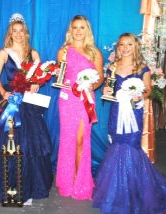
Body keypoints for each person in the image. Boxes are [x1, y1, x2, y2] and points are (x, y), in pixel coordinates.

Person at [92, 33, 166, 213]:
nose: (125, 48)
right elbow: (108, 88)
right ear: (118, 47)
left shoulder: (143, 68)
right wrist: (108, 89)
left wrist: (139, 94)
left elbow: (148, 91)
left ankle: (134, 190)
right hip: (116, 112)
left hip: (133, 112)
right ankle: (116, 190)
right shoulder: (112, 66)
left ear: (136, 47)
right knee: (116, 145)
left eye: (129, 45)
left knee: (131, 146)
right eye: (122, 45)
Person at [0, 13, 53, 205]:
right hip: (9, 102)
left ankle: (28, 188)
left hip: (28, 103)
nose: (18, 34)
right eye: (14, 31)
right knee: (8, 142)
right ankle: (6, 187)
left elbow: (38, 78)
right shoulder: (3, 53)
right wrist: (3, 92)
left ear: (26, 33)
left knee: (29, 144)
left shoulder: (33, 54)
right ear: (10, 33)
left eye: (21, 31)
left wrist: (36, 85)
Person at [56, 15, 103, 200]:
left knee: (81, 140)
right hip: (68, 101)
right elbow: (59, 77)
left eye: (82, 27)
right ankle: (67, 180)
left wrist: (92, 86)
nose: (78, 31)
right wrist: (64, 83)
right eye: (75, 27)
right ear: (70, 30)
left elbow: (99, 77)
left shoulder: (94, 53)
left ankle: (80, 180)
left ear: (87, 30)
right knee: (68, 139)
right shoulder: (64, 51)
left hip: (85, 100)